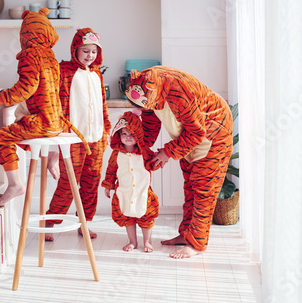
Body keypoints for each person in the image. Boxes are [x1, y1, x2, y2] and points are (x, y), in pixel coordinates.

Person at [0, 9, 89, 205]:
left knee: (2, 137)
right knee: (23, 135)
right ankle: (52, 154)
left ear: (26, 34)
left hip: (42, 122)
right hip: (57, 123)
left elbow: (26, 88)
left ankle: (15, 184)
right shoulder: (51, 57)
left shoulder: (30, 55)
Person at [125, 66, 233, 259]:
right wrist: (141, 151)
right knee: (190, 188)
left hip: (213, 133)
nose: (140, 111)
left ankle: (197, 244)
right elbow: (150, 125)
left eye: (142, 107)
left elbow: (197, 132)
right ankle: (185, 235)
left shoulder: (181, 91)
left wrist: (167, 153)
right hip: (188, 136)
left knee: (203, 190)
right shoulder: (149, 91)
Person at [44, 28, 112, 240]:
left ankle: (85, 223)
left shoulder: (97, 74)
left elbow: (103, 104)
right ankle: (50, 222)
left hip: (97, 137)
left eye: (93, 51)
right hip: (72, 137)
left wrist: (107, 128)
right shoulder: (64, 71)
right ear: (75, 49)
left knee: (92, 183)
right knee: (68, 182)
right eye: (85, 50)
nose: (90, 55)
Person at [102, 111, 160, 252]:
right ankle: (133, 242)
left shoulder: (144, 152)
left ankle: (147, 242)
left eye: (132, 134)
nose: (128, 137)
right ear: (118, 135)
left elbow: (154, 163)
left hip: (143, 192)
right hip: (124, 192)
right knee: (127, 216)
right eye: (124, 134)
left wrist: (159, 159)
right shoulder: (116, 153)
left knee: (145, 218)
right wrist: (108, 186)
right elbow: (111, 170)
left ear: (138, 134)